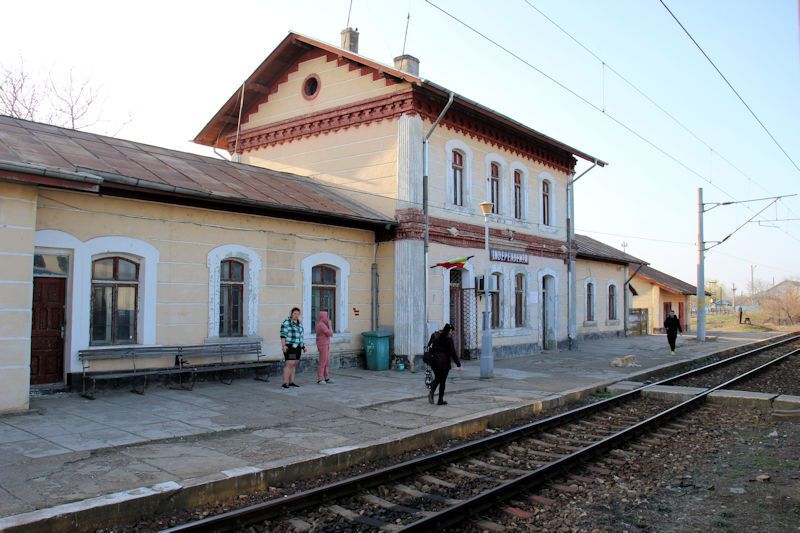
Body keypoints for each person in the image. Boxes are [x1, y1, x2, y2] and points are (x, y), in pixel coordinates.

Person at [427, 323, 462, 405]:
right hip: (444, 362)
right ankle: (440, 400)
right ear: (450, 330)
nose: (452, 333)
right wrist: (458, 364)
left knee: (438, 378)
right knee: (442, 381)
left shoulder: (434, 335)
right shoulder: (448, 338)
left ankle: (432, 392)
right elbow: (452, 352)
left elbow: (429, 346)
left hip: (434, 361)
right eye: (452, 332)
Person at [280, 307, 305, 388]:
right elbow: (283, 335)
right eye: (295, 313)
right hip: (290, 347)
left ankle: (292, 382)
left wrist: (303, 347)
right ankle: (285, 383)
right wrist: (283, 346)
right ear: (291, 314)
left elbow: (300, 337)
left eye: (298, 314)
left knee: (294, 364)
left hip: (298, 347)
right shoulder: (286, 323)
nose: (296, 315)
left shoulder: (299, 324)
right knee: (290, 363)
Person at [315, 310, 334, 384]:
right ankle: (320, 379)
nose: (328, 318)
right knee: (323, 362)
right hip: (322, 344)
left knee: (326, 361)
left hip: (326, 344)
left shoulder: (323, 324)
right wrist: (330, 325)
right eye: (327, 316)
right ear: (323, 317)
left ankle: (326, 378)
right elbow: (330, 334)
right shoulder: (321, 325)